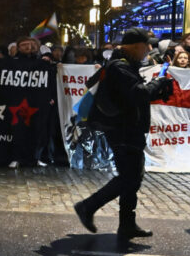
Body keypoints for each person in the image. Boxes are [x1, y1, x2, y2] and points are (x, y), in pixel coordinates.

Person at [73, 28, 174, 240]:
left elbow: (132, 97)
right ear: (135, 46)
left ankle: (127, 224)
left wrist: (158, 90)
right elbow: (139, 94)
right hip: (122, 129)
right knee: (130, 177)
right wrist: (159, 83)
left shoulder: (126, 65)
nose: (149, 50)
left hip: (128, 127)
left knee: (133, 177)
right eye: (146, 45)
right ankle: (88, 206)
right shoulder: (120, 67)